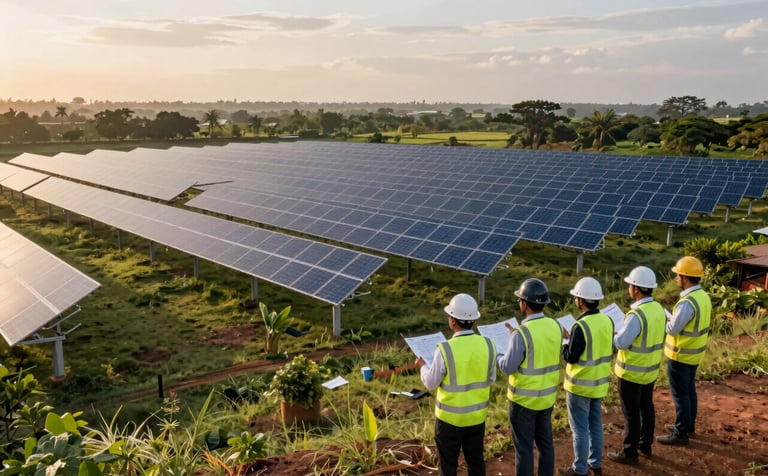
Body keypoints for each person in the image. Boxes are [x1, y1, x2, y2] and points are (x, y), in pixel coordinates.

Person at [416, 293, 496, 476]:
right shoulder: (489, 345)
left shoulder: (445, 349)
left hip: (449, 421)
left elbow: (430, 382)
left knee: (448, 466)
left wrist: (422, 367)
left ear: (452, 321)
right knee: (476, 463)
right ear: (474, 320)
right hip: (477, 418)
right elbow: (491, 379)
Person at [498, 278, 561, 476]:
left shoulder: (521, 333)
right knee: (546, 445)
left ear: (524, 303)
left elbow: (508, 367)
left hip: (523, 402)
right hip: (547, 398)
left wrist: (499, 355)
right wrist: (514, 336)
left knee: (524, 450)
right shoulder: (555, 326)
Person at [607, 266, 666, 465]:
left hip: (631, 372)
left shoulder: (636, 315)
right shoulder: (657, 309)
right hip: (650, 370)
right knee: (646, 408)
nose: (629, 289)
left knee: (631, 413)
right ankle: (645, 445)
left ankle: (629, 452)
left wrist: (615, 335)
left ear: (637, 289)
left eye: (630, 285)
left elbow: (622, 343)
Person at [558, 277, 614, 476]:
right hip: (599, 384)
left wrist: (565, 342)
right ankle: (595, 464)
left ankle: (579, 469)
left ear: (581, 301)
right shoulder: (606, 320)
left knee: (580, 429)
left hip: (579, 386)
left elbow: (571, 357)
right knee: (595, 425)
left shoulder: (580, 326)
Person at [657, 256, 712, 446]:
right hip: (694, 353)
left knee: (681, 394)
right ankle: (687, 426)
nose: (676, 278)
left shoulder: (687, 302)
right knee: (689, 391)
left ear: (685, 278)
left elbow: (673, 328)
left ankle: (681, 433)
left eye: (678, 275)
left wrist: (666, 321)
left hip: (680, 354)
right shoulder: (702, 297)